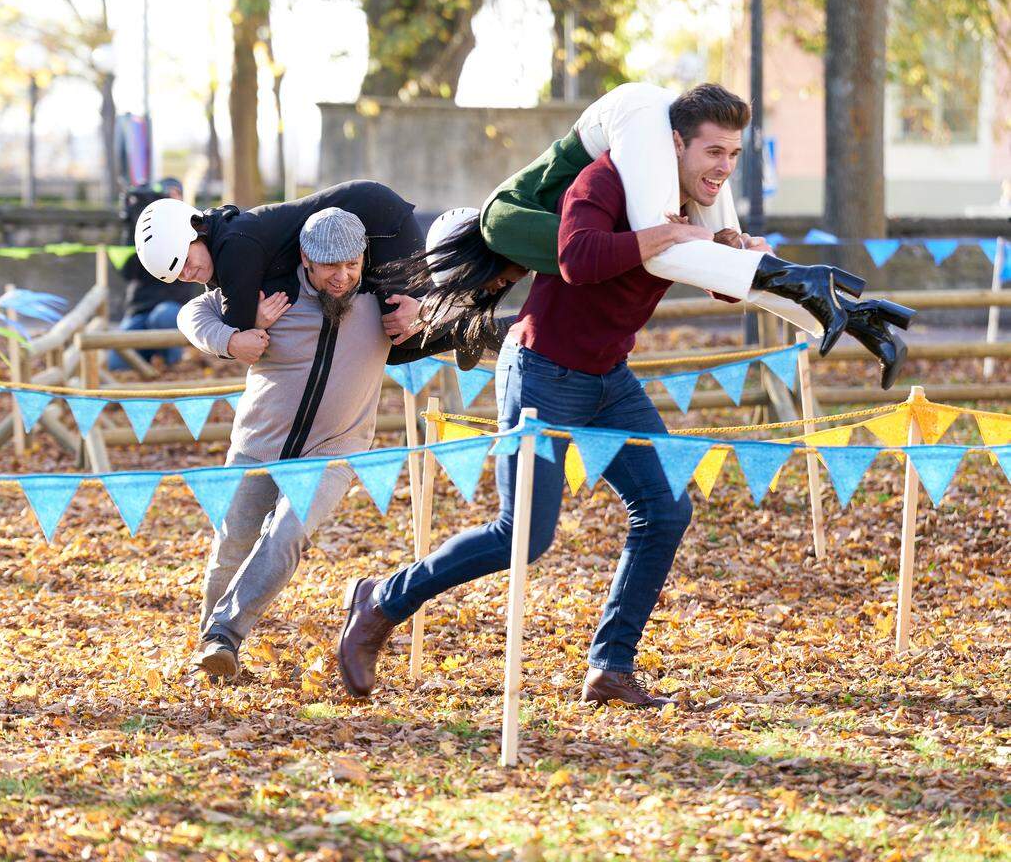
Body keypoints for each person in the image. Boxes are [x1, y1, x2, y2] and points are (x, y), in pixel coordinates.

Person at [334, 86, 907, 706]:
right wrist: (659, 239)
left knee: (665, 510)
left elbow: (715, 286)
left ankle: (610, 667)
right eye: (713, 150)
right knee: (522, 535)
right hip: (542, 372)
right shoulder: (602, 182)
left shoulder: (700, 207)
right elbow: (578, 259)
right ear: (675, 144)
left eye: (734, 155)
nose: (723, 166)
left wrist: (744, 260)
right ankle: (382, 601)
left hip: (611, 378)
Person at [392, 83, 911, 388]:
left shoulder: (500, 221)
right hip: (646, 113)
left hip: (640, 116)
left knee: (662, 249)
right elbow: (719, 274)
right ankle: (857, 315)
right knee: (724, 247)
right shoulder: (622, 171)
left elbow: (594, 259)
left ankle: (824, 294)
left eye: (488, 285)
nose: (505, 284)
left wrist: (436, 312)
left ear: (483, 262)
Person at [181, 207, 401, 678]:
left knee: (286, 535)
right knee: (231, 545)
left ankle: (225, 634)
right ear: (305, 258)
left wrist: (422, 310)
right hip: (257, 444)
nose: (342, 277)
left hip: (333, 451)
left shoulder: (381, 300)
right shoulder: (270, 290)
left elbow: (452, 308)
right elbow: (192, 312)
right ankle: (210, 653)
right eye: (329, 267)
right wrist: (230, 335)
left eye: (351, 265)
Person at [134, 180, 498, 367]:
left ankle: (480, 326)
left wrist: (250, 324)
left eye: (185, 258)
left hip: (380, 221)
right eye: (177, 275)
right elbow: (246, 321)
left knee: (399, 332)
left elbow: (243, 331)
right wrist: (247, 326)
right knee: (387, 346)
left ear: (196, 231)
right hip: (356, 236)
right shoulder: (225, 247)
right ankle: (466, 332)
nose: (188, 273)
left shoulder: (234, 246)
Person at [110, 177, 198, 370]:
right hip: (140, 310)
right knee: (116, 362)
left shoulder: (189, 226)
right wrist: (133, 224)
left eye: (174, 194)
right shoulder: (142, 228)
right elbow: (128, 272)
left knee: (164, 315)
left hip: (172, 309)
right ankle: (146, 367)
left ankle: (174, 366)